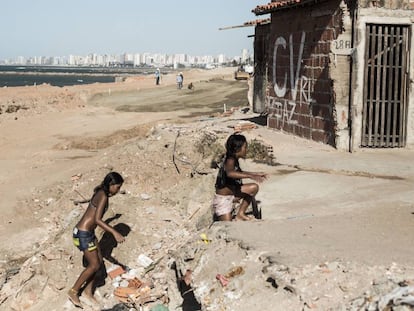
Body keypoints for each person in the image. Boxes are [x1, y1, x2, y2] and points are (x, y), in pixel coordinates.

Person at [68, 172, 125, 308]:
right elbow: (97, 219)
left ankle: (88, 292)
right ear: (111, 185)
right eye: (117, 187)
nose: (118, 190)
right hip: (83, 235)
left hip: (88, 234)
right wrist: (114, 232)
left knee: (98, 263)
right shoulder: (103, 195)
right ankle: (73, 291)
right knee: (94, 265)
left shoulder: (101, 192)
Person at [212, 134, 267, 221]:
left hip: (234, 194)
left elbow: (238, 173)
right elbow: (230, 173)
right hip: (224, 199)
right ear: (237, 149)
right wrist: (250, 176)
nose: (246, 150)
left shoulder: (235, 159)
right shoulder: (230, 159)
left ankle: (240, 214)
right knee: (227, 225)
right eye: (245, 147)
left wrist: (255, 174)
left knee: (253, 188)